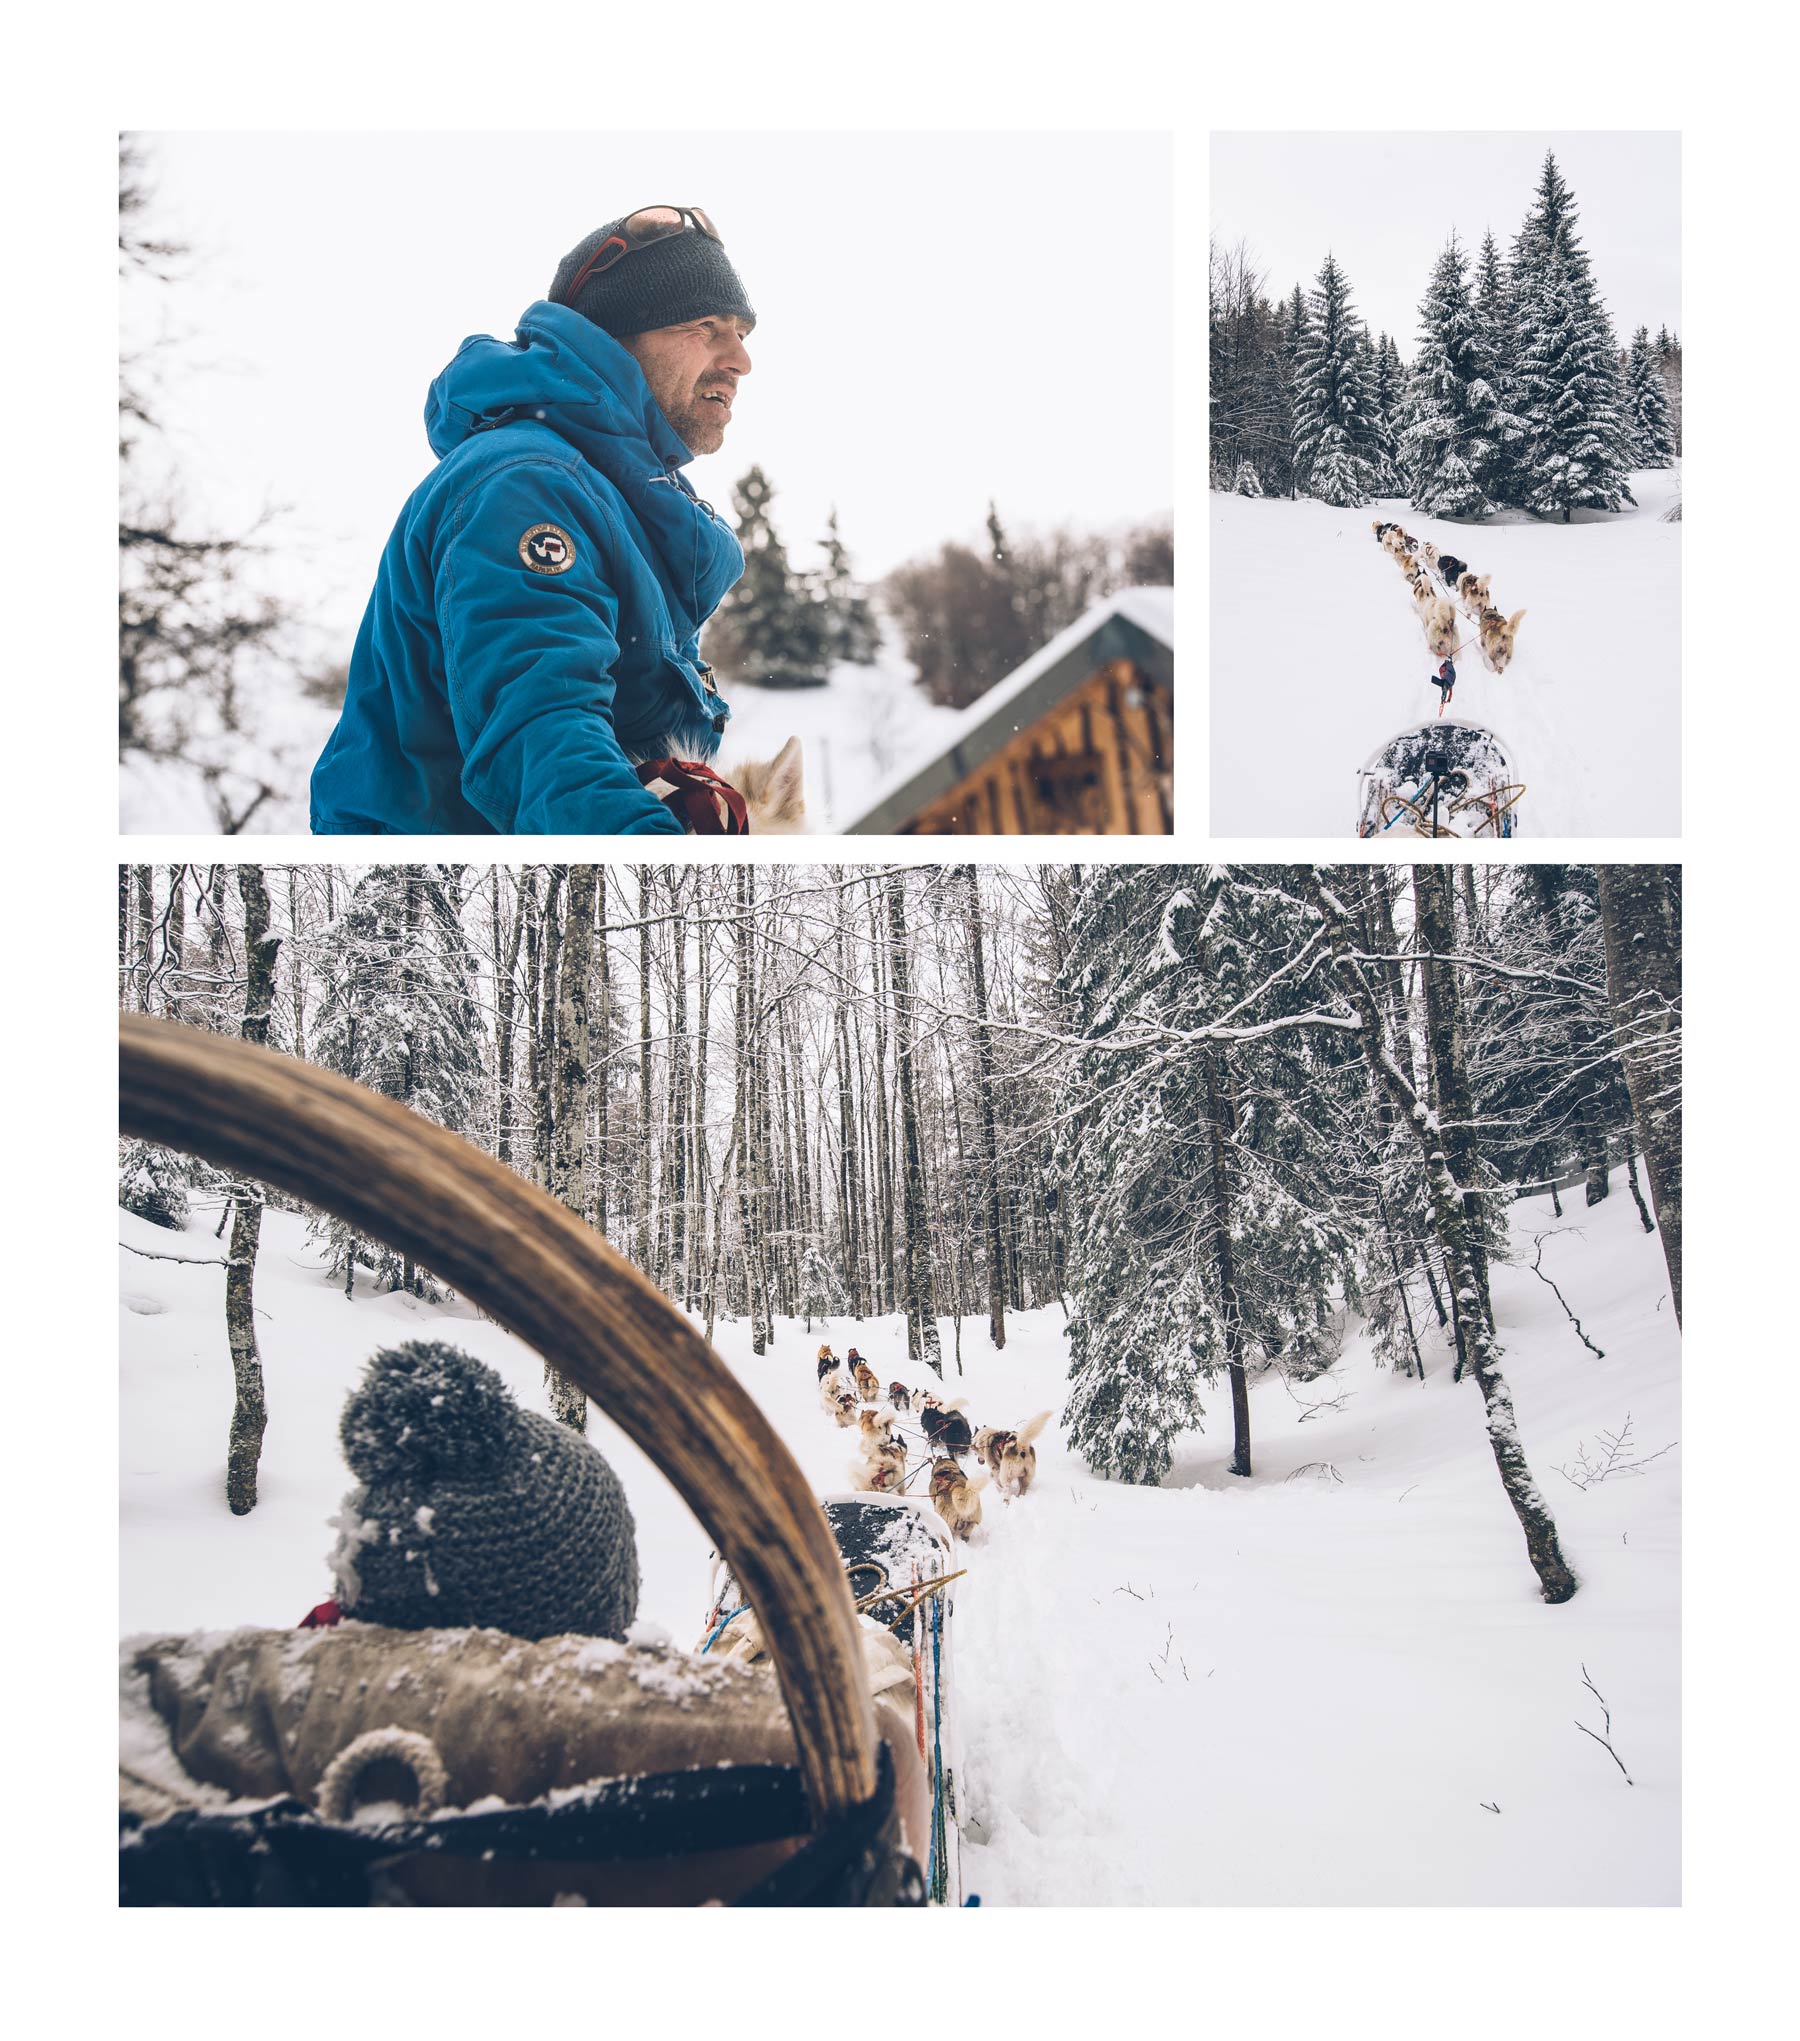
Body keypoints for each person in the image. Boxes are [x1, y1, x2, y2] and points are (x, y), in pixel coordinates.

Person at [310, 207, 755, 835]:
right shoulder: (526, 487)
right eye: (707, 326)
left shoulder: (610, 499)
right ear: (618, 337)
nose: (740, 360)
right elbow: (543, 741)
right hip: (438, 892)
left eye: (742, 333)